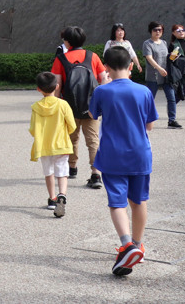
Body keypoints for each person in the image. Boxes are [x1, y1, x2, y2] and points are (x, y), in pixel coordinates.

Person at [89, 45, 156, 276]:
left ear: (106, 67)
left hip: (112, 155)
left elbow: (92, 115)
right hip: (140, 153)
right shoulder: (144, 91)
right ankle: (138, 245)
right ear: (131, 66)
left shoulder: (102, 91)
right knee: (139, 201)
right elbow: (150, 125)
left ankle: (126, 244)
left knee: (117, 202)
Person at [50, 26, 108, 188]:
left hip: (70, 107)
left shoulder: (61, 59)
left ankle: (72, 167)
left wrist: (56, 107)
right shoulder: (92, 56)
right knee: (93, 141)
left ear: (67, 42)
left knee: (71, 139)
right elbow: (103, 80)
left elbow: (57, 86)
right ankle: (96, 174)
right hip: (91, 107)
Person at [29, 71, 76, 218]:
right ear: (57, 86)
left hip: (44, 145)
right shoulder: (63, 104)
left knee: (48, 172)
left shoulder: (36, 107)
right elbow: (72, 125)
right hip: (61, 144)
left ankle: (52, 199)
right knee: (62, 172)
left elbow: (32, 129)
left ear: (38, 89)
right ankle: (62, 194)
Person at [142, 21, 181, 129]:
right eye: (155, 30)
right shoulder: (147, 43)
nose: (158, 32)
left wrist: (173, 56)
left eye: (160, 30)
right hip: (153, 75)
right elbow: (149, 58)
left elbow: (166, 57)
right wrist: (159, 68)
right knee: (150, 98)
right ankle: (144, 119)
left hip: (166, 75)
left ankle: (172, 120)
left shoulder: (164, 42)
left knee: (171, 98)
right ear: (151, 31)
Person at [167, 23, 185, 119]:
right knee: (181, 93)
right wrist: (174, 56)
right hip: (181, 72)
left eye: (183, 30)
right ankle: (171, 107)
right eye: (178, 31)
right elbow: (170, 59)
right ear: (174, 33)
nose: (181, 32)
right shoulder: (173, 44)